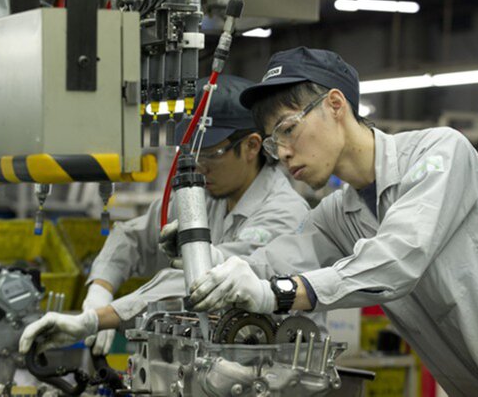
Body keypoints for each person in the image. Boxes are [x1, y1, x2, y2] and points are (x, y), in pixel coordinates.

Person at [185, 47, 478, 394]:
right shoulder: (337, 215)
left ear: (335, 105)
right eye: (274, 143)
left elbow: (396, 260)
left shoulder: (440, 153)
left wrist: (281, 292)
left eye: (289, 129)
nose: (284, 152)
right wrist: (201, 257)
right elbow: (267, 263)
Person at [18, 75, 322, 356]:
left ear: (252, 146)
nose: (199, 166)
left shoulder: (285, 214)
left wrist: (98, 319)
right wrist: (99, 290)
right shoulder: (203, 196)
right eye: (192, 153)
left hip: (280, 367)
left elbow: (203, 281)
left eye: (210, 154)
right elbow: (132, 237)